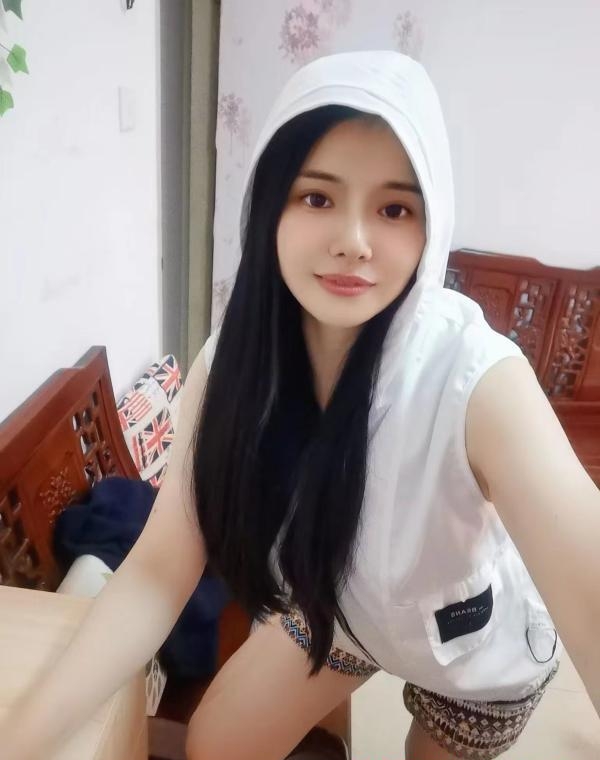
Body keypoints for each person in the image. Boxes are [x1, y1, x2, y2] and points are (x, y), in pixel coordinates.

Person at [2, 50, 599, 760]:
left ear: (429, 224)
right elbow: (160, 571)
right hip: (337, 610)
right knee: (216, 747)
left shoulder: (477, 378)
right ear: (270, 208)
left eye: (394, 208)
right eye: (317, 198)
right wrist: (19, 738)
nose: (353, 242)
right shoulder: (232, 365)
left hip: (474, 655)